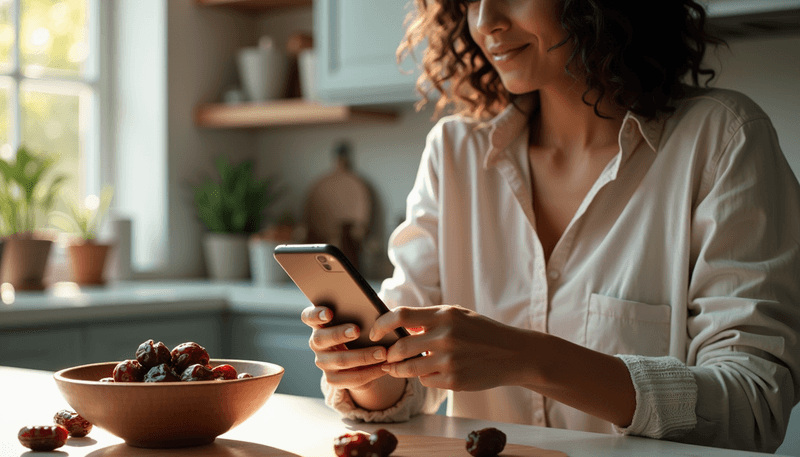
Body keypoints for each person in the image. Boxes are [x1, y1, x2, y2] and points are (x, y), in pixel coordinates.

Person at [299, 0, 800, 453]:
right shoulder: (454, 152)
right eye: (468, 1)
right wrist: (367, 369)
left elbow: (753, 404)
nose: (485, 21)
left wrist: (527, 358)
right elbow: (403, 389)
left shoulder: (724, 140)